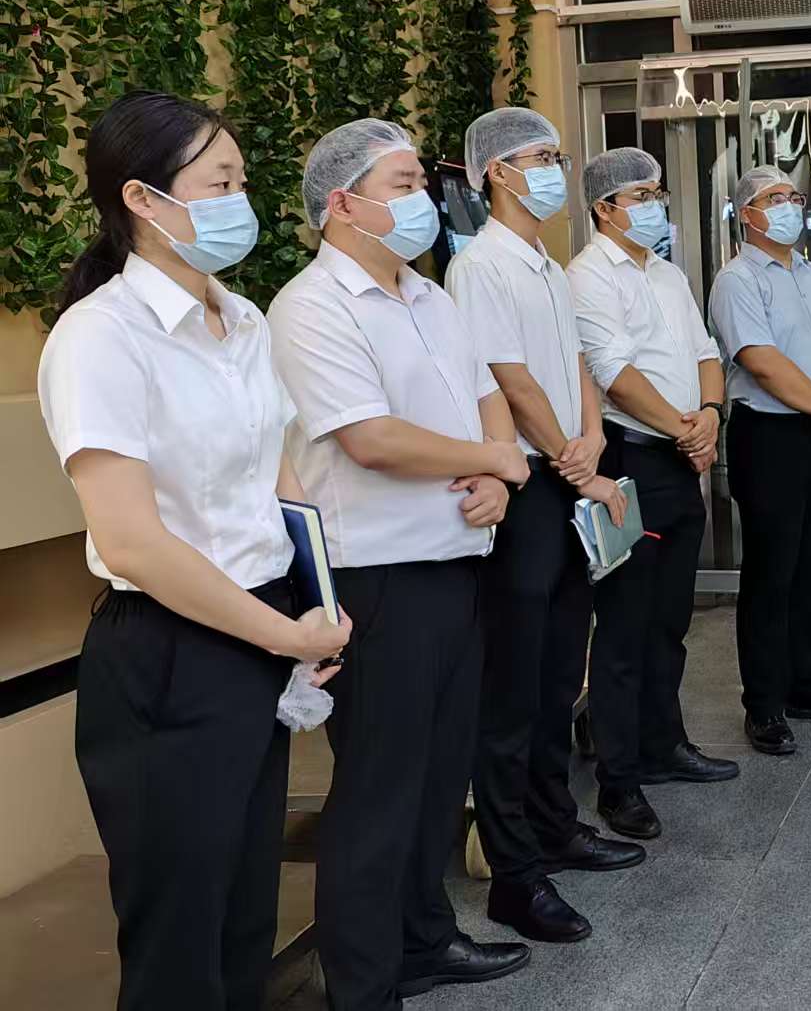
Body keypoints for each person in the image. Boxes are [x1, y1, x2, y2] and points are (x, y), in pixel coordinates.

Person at [36, 92, 351, 1010]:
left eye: (241, 180)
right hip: (168, 652)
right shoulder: (100, 337)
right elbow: (131, 541)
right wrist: (281, 634)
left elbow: (280, 478)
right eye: (218, 183)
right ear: (142, 198)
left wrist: (314, 603)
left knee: (244, 918)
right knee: (179, 938)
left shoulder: (241, 319)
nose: (239, 201)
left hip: (258, 631)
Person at [268, 119, 533, 1008]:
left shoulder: (428, 295)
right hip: (376, 578)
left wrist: (497, 471)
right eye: (404, 182)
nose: (424, 198)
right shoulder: (312, 306)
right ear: (343, 203)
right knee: (378, 789)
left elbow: (486, 394)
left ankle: (424, 938)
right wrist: (494, 460)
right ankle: (363, 980)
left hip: (453, 562)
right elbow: (370, 437)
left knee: (437, 775)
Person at [444, 108, 644, 945]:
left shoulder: (549, 267)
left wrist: (591, 437)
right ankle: (513, 872)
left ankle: (557, 823)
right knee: (513, 688)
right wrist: (570, 457)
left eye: (557, 156)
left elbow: (576, 369)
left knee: (562, 670)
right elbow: (509, 379)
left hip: (568, 473)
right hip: (527, 486)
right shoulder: (479, 265)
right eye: (539, 157)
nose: (556, 170)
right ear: (497, 172)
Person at [567, 147, 738, 841]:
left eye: (657, 193)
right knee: (625, 626)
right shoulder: (586, 277)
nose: (654, 205)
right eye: (641, 195)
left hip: (681, 457)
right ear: (605, 207)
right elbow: (613, 373)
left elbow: (705, 354)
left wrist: (711, 417)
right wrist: (684, 429)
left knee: (669, 618)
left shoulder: (667, 273)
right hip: (630, 458)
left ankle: (665, 744)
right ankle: (620, 780)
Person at [707, 165, 811, 756]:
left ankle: (807, 681)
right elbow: (760, 360)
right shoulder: (737, 280)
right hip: (772, 437)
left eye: (794, 196)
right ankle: (764, 703)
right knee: (772, 572)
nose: (789, 205)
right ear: (747, 214)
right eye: (773, 198)